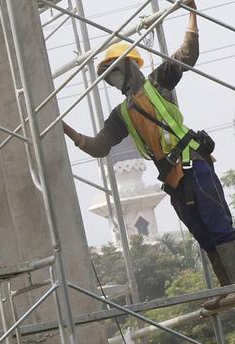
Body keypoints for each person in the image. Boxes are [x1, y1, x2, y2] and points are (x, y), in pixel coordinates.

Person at [62, 0, 235, 309]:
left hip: (193, 164)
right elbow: (100, 146)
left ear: (130, 67)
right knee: (202, 233)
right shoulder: (121, 114)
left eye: (115, 73)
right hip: (173, 179)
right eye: (109, 77)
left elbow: (187, 55)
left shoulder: (158, 81)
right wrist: (66, 130)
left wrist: (192, 14)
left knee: (217, 223)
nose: (113, 81)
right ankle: (228, 287)